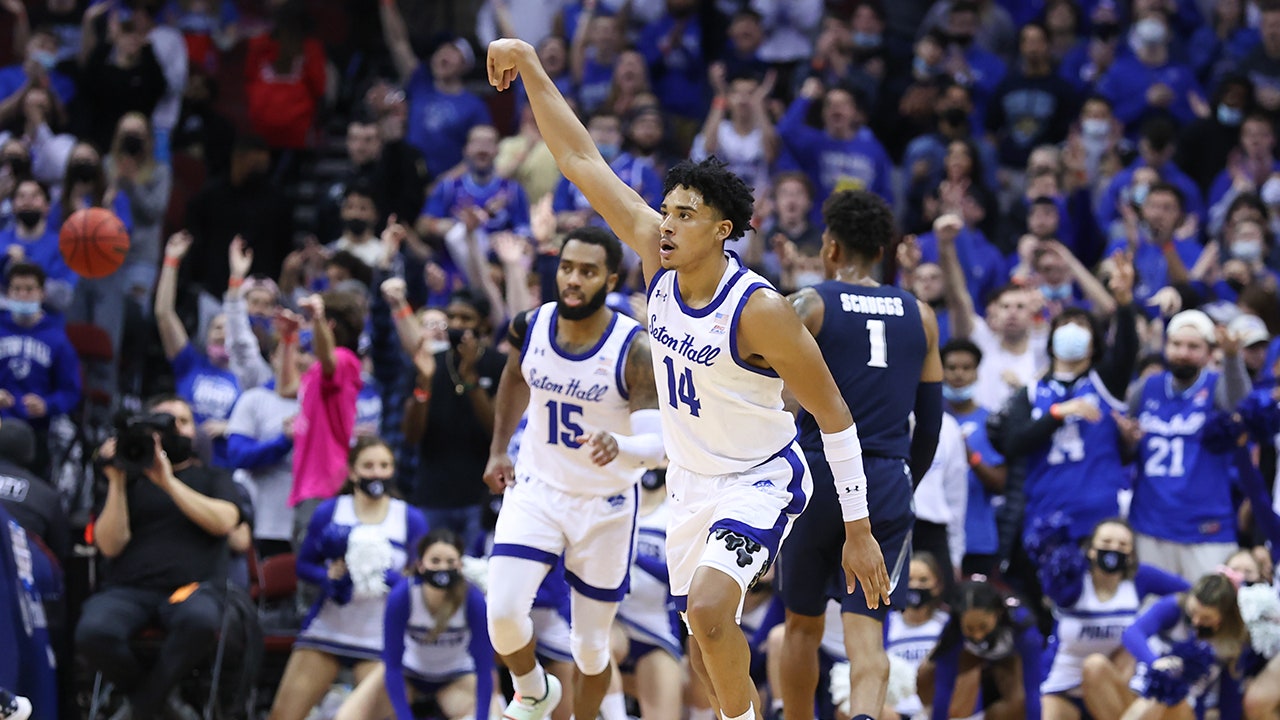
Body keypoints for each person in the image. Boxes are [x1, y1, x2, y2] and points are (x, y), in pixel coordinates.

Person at [487, 38, 891, 720]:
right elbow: (581, 160)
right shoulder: (656, 258)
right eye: (665, 211)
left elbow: (834, 415)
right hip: (688, 483)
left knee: (709, 610)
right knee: (702, 645)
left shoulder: (760, 311)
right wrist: (530, 64)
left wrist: (858, 528)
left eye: (684, 216)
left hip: (761, 477)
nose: (665, 224)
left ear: (722, 229)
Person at [482, 225, 663, 720]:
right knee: (501, 614)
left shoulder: (635, 349)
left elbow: (658, 448)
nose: (574, 279)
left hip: (604, 507)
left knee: (589, 647)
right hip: (537, 489)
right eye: (567, 267)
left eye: (587, 271)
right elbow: (516, 374)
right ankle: (533, 690)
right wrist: (499, 448)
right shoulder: (530, 325)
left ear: (609, 278)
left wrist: (619, 443)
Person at [777, 189, 944, 720]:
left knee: (801, 627)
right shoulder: (921, 315)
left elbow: (766, 390)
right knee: (868, 638)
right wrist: (900, 482)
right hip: (888, 479)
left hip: (817, 476)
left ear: (830, 247)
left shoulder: (811, 303)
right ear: (882, 251)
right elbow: (932, 421)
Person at [75, 396, 241, 720]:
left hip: (192, 588)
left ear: (195, 431)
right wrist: (118, 482)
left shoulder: (213, 476)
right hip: (128, 589)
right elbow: (109, 546)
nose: (175, 428)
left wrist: (167, 482)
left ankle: (138, 708)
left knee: (201, 621)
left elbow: (224, 521)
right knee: (93, 630)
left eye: (183, 421)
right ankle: (162, 705)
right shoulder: (126, 480)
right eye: (165, 421)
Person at [267, 438, 428, 720]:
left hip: (381, 638)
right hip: (328, 629)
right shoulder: (330, 511)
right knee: (283, 715)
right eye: (368, 466)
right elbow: (303, 565)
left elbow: (420, 583)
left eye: (384, 466)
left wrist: (390, 580)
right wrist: (328, 577)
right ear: (352, 472)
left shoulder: (410, 518)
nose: (377, 473)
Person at [1034, 518, 1189, 720]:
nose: (1114, 549)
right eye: (1106, 543)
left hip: (1113, 680)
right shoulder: (1073, 580)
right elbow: (1052, 588)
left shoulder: (1140, 578)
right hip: (1065, 683)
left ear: (1131, 555)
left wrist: (1159, 622)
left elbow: (1189, 594)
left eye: (1122, 545)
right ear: (1091, 550)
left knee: (1097, 664)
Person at [333, 529, 493, 720]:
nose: (443, 568)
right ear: (420, 565)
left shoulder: (473, 599)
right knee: (346, 717)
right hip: (409, 674)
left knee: (492, 715)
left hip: (455, 676)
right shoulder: (403, 595)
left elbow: (485, 667)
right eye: (435, 561)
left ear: (460, 566)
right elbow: (391, 664)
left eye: (450, 562)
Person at [1119, 573, 1248, 720]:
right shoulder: (1175, 607)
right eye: (1192, 612)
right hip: (1142, 691)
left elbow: (1230, 700)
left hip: (1186, 708)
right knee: (1096, 666)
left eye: (1206, 618)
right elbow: (1132, 633)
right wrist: (1154, 662)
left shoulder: (1231, 644)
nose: (1195, 621)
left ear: (1224, 617)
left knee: (1168, 692)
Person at [918, 580, 1045, 720]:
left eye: (983, 626)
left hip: (1010, 658)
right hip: (971, 655)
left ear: (998, 613)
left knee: (1021, 701)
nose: (978, 636)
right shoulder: (953, 628)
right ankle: (925, 715)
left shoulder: (1021, 625)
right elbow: (944, 684)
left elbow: (1033, 688)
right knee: (926, 673)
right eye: (969, 628)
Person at [0, 261, 79, 478]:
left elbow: (71, 391)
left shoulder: (57, 339)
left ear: (42, 293)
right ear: (7, 293)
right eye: (17, 289)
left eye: (29, 289)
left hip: (37, 430)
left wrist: (47, 405)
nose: (23, 295)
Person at [881, 554, 951, 720]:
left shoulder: (946, 623)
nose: (915, 585)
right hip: (894, 711)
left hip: (935, 710)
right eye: (909, 579)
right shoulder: (887, 623)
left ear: (937, 586)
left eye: (923, 580)